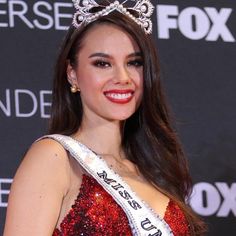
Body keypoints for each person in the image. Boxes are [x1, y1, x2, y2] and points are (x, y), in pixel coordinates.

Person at [4, 0, 206, 235]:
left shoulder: (154, 169)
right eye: (102, 63)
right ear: (72, 74)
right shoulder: (54, 158)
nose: (122, 77)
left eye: (134, 63)